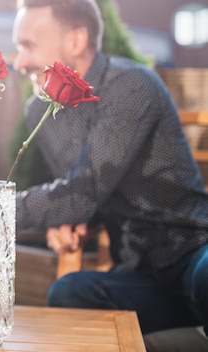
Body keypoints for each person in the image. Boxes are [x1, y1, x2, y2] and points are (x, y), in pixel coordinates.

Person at [11, 0, 208, 347]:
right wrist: (69, 220)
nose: (19, 61)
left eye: (28, 45)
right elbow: (81, 197)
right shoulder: (40, 112)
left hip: (192, 252)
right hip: (139, 276)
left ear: (76, 41)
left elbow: (81, 192)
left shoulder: (130, 85)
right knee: (69, 293)